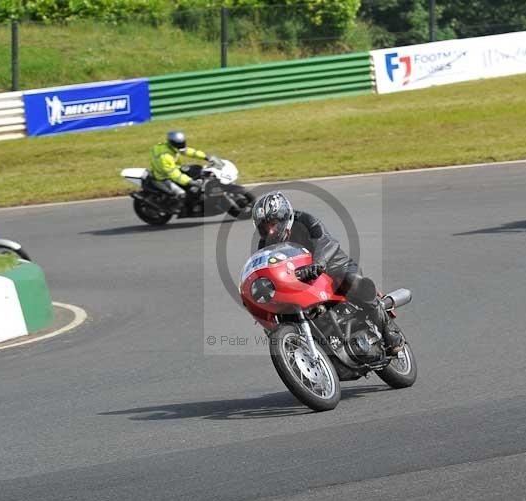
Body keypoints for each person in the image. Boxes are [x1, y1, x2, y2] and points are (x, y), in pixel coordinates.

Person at [252, 191, 404, 356]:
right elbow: (264, 272)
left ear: (284, 217)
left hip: (334, 267)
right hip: (302, 281)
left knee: (351, 281)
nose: (271, 231)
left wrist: (319, 263)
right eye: (265, 228)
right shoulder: (265, 245)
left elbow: (327, 242)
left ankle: (388, 329)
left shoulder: (305, 221)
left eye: (273, 224)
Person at [149, 131, 223, 211]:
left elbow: (188, 151)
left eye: (182, 143)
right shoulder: (165, 156)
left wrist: (206, 157)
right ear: (172, 143)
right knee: (182, 194)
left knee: (197, 169)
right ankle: (180, 208)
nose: (181, 145)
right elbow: (175, 175)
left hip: (174, 168)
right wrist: (190, 181)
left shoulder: (172, 146)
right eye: (179, 144)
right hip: (164, 177)